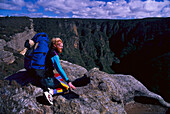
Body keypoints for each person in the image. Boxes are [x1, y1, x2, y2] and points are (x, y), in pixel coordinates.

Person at [44, 37, 76, 104]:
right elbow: (59, 69)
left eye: (62, 46)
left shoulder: (49, 51)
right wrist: (68, 81)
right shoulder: (54, 56)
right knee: (67, 88)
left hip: (43, 75)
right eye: (59, 45)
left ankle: (53, 85)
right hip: (48, 79)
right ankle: (51, 92)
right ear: (55, 45)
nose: (61, 47)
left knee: (58, 76)